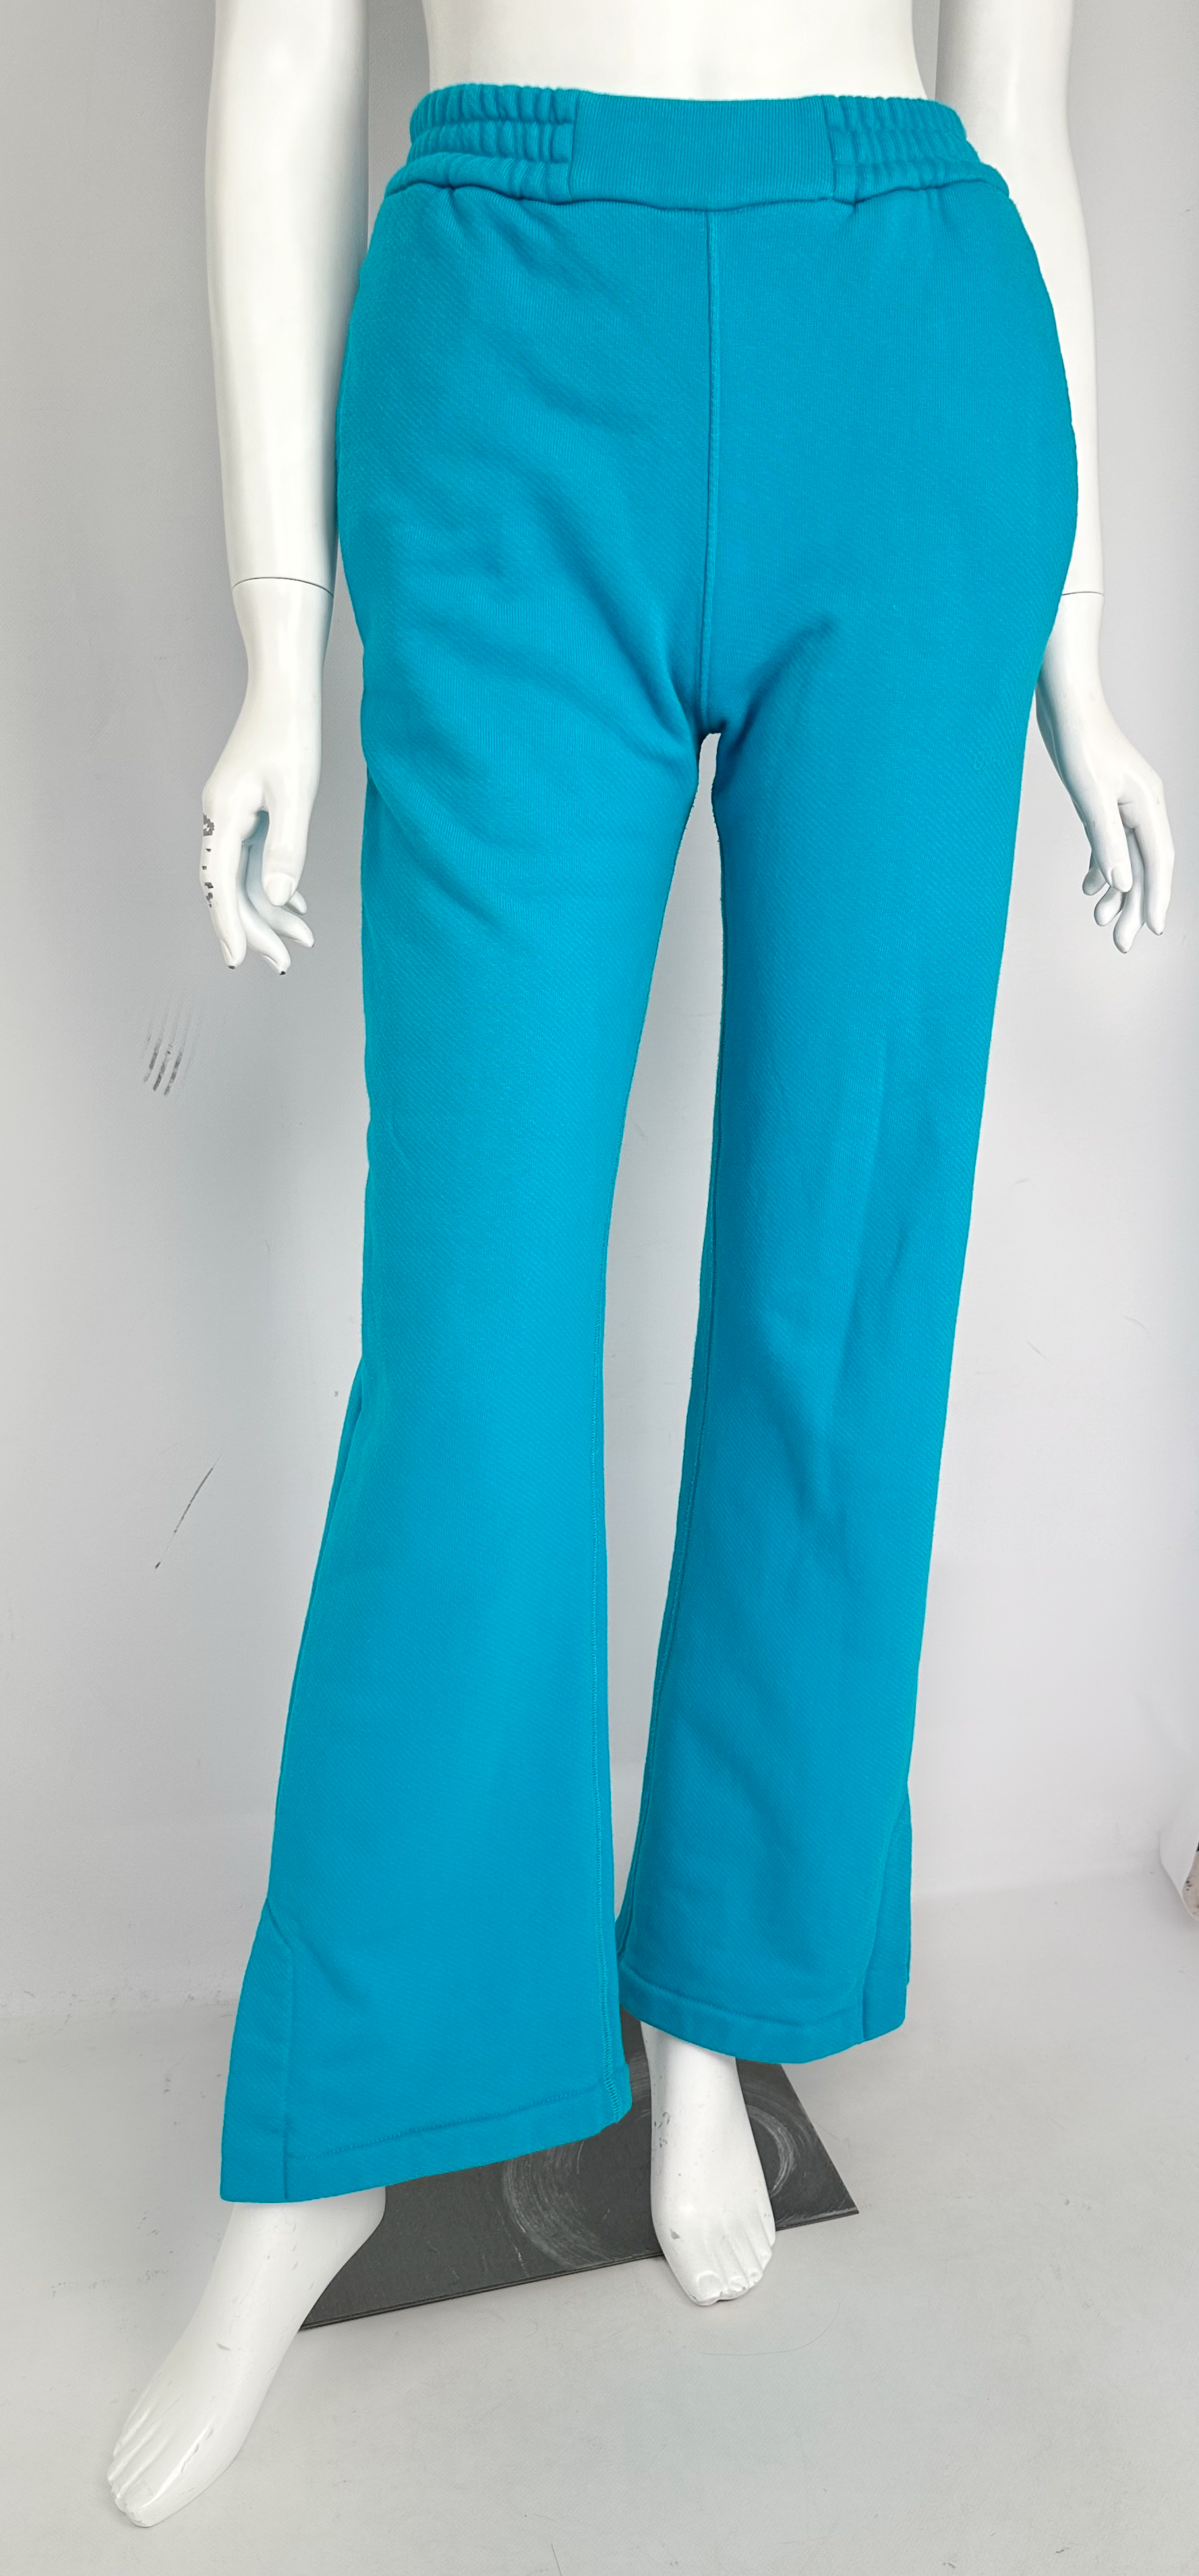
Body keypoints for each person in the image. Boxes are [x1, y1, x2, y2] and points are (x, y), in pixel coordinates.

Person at [108, 0, 1173, 2527]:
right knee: (466, 1329)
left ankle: (713, 2005)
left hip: (913, 360)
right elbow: (284, 53)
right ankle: (342, 2124)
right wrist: (280, 636)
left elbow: (1016, 112)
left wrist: (1083, 638)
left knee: (841, 1285)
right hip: (506, 333)